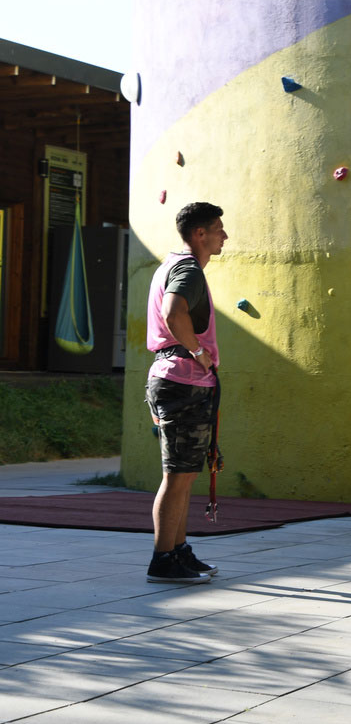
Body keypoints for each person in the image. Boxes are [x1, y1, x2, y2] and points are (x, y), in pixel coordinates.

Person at [144, 202, 228, 583]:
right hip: (182, 380)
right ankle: (163, 560)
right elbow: (174, 312)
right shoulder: (189, 269)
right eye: (218, 229)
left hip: (180, 381)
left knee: (186, 473)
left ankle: (177, 551)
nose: (224, 236)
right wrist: (198, 352)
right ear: (200, 234)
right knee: (177, 476)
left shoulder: (173, 263)